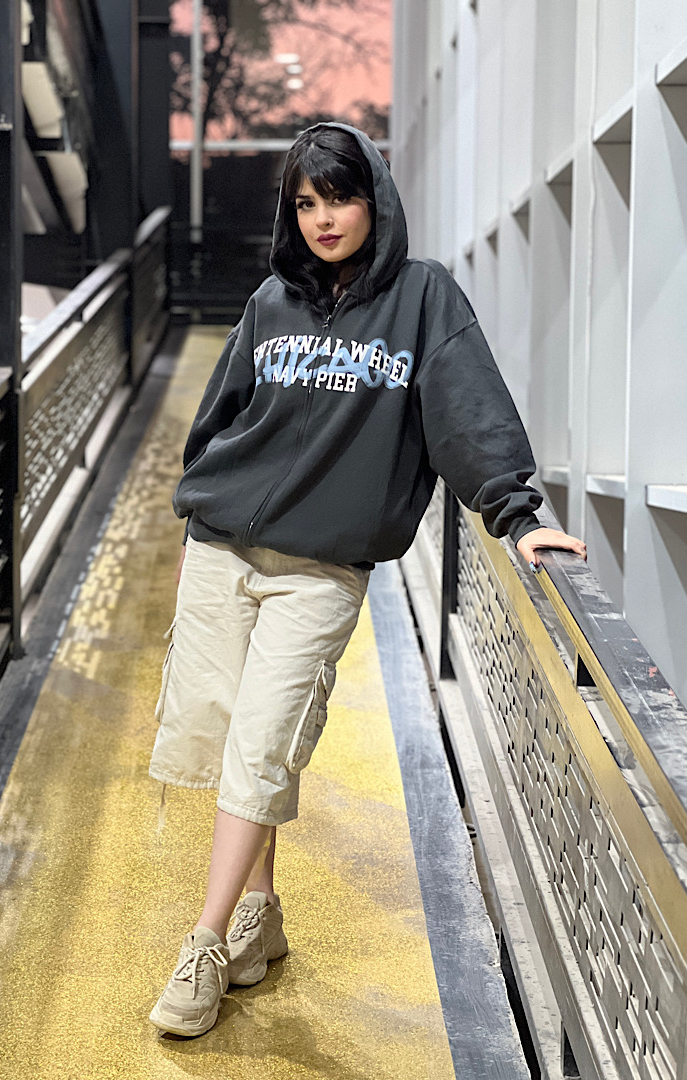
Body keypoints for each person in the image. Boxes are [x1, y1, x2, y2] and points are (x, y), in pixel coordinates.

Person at [147, 122, 586, 1038]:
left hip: (321, 569)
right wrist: (200, 506)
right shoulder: (272, 301)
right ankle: (260, 917)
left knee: (264, 742)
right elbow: (221, 416)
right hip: (222, 550)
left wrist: (519, 515)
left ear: (375, 199)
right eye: (305, 203)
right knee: (228, 743)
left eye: (340, 198)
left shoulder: (423, 298)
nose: (323, 219)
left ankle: (205, 940)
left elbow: (468, 415)